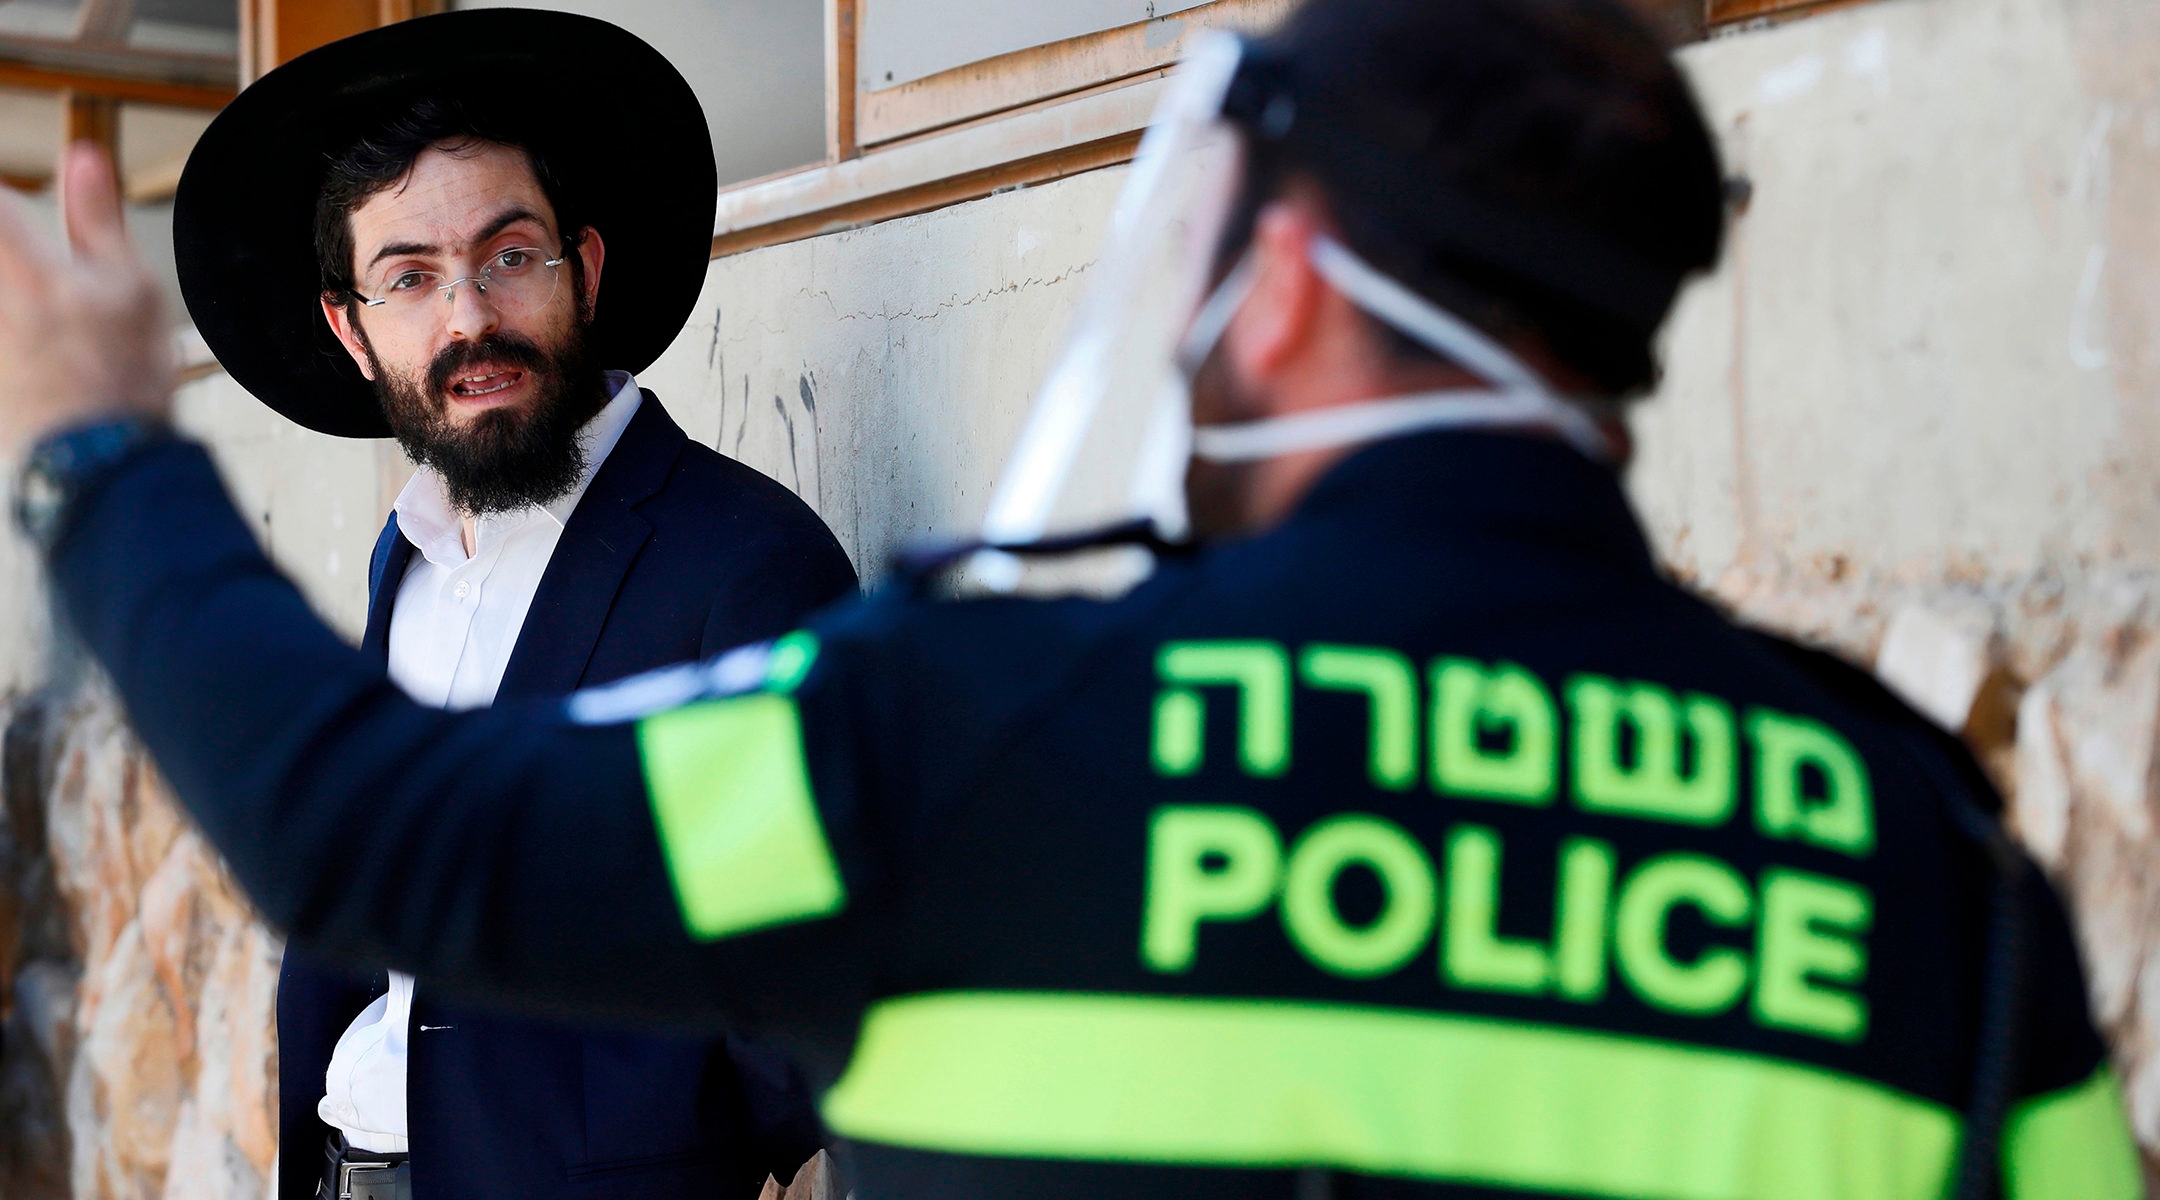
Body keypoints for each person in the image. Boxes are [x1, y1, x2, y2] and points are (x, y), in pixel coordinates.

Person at [0, 0, 2141, 1196]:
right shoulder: (1922, 854)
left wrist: (97, 453)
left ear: (1280, 286)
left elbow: (375, 837)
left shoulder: (967, 725)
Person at [165, 10, 854, 1199]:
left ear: (583, 269)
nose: (469, 317)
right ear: (352, 329)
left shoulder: (746, 567)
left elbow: (807, 1045)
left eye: (509, 256)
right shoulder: (408, 559)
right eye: (410, 278)